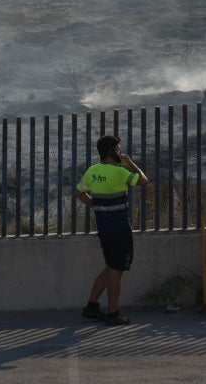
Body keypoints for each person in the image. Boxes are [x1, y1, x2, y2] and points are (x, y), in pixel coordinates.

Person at [75, 134, 149, 326]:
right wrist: (130, 162)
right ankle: (113, 313)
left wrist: (94, 204)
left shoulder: (92, 171)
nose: (121, 152)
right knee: (116, 271)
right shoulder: (120, 172)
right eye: (118, 149)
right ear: (110, 152)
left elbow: (79, 192)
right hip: (120, 229)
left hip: (104, 229)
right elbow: (143, 181)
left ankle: (91, 306)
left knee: (111, 267)